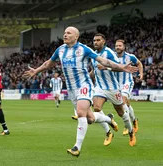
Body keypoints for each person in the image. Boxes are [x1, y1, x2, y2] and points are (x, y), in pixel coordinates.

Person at [23, 26, 137, 157]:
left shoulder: (84, 49)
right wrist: (36, 71)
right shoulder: (60, 50)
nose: (65, 35)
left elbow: (103, 61)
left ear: (76, 36)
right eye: (64, 32)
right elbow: (49, 63)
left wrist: (122, 67)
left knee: (81, 113)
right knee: (90, 118)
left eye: (69, 33)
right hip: (71, 89)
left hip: (85, 85)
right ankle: (108, 119)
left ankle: (77, 147)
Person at [91, 33, 136, 147]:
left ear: (103, 41)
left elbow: (120, 68)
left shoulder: (109, 53)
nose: (95, 42)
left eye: (98, 40)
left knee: (121, 113)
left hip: (112, 88)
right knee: (96, 108)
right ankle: (108, 130)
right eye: (94, 40)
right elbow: (94, 71)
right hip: (100, 87)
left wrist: (107, 67)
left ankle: (131, 132)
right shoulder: (93, 55)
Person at [115, 39, 143, 135]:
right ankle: (134, 120)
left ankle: (128, 126)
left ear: (124, 47)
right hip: (116, 84)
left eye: (120, 46)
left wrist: (141, 74)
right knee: (125, 104)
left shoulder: (130, 57)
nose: (118, 47)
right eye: (116, 46)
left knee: (123, 100)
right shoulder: (112, 56)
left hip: (127, 82)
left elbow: (139, 63)